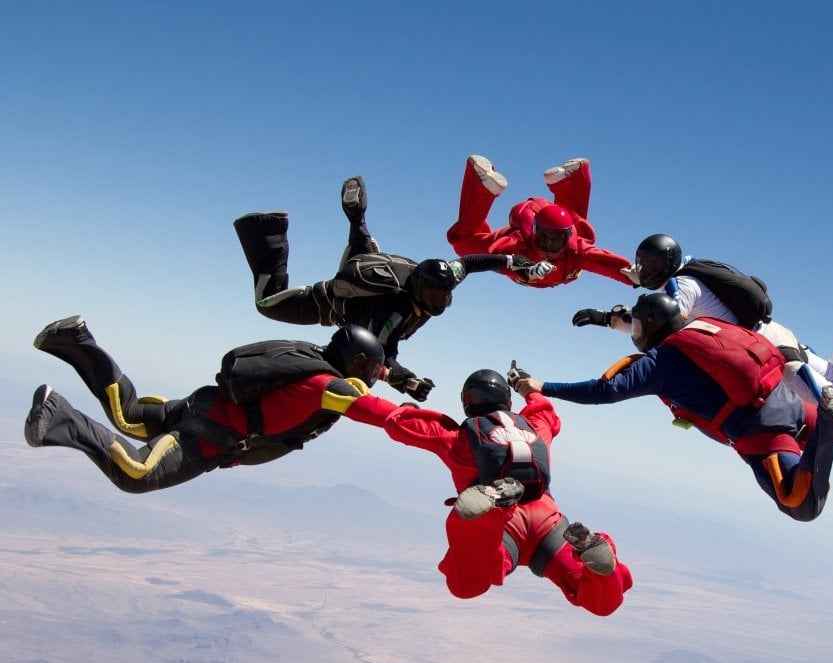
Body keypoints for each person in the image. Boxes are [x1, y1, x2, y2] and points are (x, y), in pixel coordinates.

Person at [517, 293, 833, 523]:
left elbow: (603, 390)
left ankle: (831, 430)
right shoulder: (710, 327)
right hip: (794, 405)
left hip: (765, 432)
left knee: (800, 503)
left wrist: (542, 386)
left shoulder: (658, 362)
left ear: (650, 328)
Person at [234, 176, 548, 403]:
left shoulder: (441, 276)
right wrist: (407, 382)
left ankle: (357, 218)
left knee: (362, 248)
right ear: (418, 287)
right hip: (326, 302)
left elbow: (470, 262)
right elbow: (382, 357)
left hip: (372, 266)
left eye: (443, 296)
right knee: (266, 303)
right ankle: (267, 230)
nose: (437, 302)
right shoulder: (392, 313)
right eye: (432, 296)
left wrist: (513, 262)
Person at [24, 316, 398, 493]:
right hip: (208, 436)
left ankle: (74, 339)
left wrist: (399, 376)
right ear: (358, 364)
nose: (372, 378)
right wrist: (449, 431)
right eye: (372, 371)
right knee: (136, 474)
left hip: (204, 407)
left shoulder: (311, 361)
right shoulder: (327, 386)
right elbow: (384, 414)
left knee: (130, 415)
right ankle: (58, 413)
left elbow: (371, 373)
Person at [371, 366, 633, 616]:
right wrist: (524, 384)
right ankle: (595, 555)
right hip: (548, 523)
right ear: (507, 401)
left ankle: (484, 514)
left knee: (467, 584)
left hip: (506, 526)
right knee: (602, 603)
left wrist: (338, 391)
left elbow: (389, 419)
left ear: (466, 401)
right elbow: (544, 409)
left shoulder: (458, 439)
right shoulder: (536, 427)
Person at [572, 233, 833, 402]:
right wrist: (607, 317)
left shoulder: (679, 288)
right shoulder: (698, 270)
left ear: (667, 264)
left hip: (766, 347)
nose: (646, 270)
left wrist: (608, 319)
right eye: (643, 264)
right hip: (775, 332)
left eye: (651, 265)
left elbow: (661, 322)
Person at [446, 155, 635, 288]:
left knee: (571, 222)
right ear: (536, 232)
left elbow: (608, 264)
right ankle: (573, 180)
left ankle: (484, 187)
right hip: (529, 222)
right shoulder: (523, 244)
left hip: (540, 224)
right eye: (545, 237)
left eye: (555, 239)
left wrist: (635, 275)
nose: (549, 246)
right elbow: (608, 264)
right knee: (464, 244)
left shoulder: (576, 251)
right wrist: (636, 276)